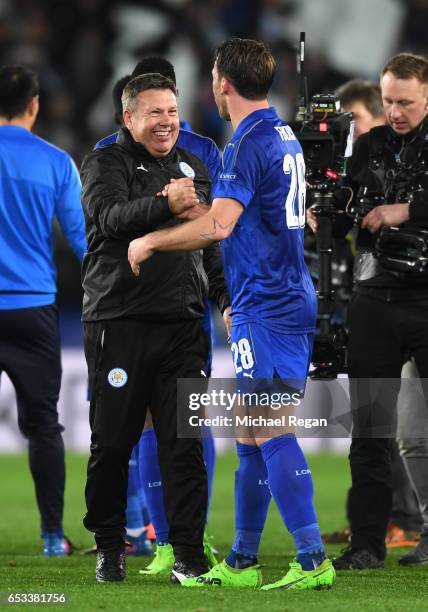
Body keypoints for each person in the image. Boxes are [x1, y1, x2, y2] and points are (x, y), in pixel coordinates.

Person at [128, 38, 336, 591]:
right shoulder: (282, 132)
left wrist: (153, 240)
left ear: (222, 82)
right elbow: (242, 214)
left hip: (265, 303)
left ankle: (313, 559)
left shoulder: (246, 143)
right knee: (249, 433)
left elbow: (219, 226)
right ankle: (243, 560)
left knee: (268, 429)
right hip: (284, 295)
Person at [81, 72, 228, 583]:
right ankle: (109, 545)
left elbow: (209, 241)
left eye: (172, 111)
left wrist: (223, 298)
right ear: (128, 117)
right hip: (118, 322)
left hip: (183, 327)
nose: (166, 121)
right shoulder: (104, 163)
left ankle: (186, 551)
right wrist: (167, 203)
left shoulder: (194, 166)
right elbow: (108, 219)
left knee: (183, 444)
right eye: (154, 112)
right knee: (113, 442)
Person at [309, 53, 428, 569]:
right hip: (374, 301)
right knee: (371, 431)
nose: (395, 111)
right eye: (388, 101)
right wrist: (325, 211)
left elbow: (395, 208)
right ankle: (367, 544)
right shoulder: (372, 144)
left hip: (425, 300)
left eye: (406, 102)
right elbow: (348, 195)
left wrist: (407, 209)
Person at [0, 65, 86, 555]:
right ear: (34, 106)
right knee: (43, 426)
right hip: (32, 308)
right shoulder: (55, 162)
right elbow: (82, 241)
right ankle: (53, 536)